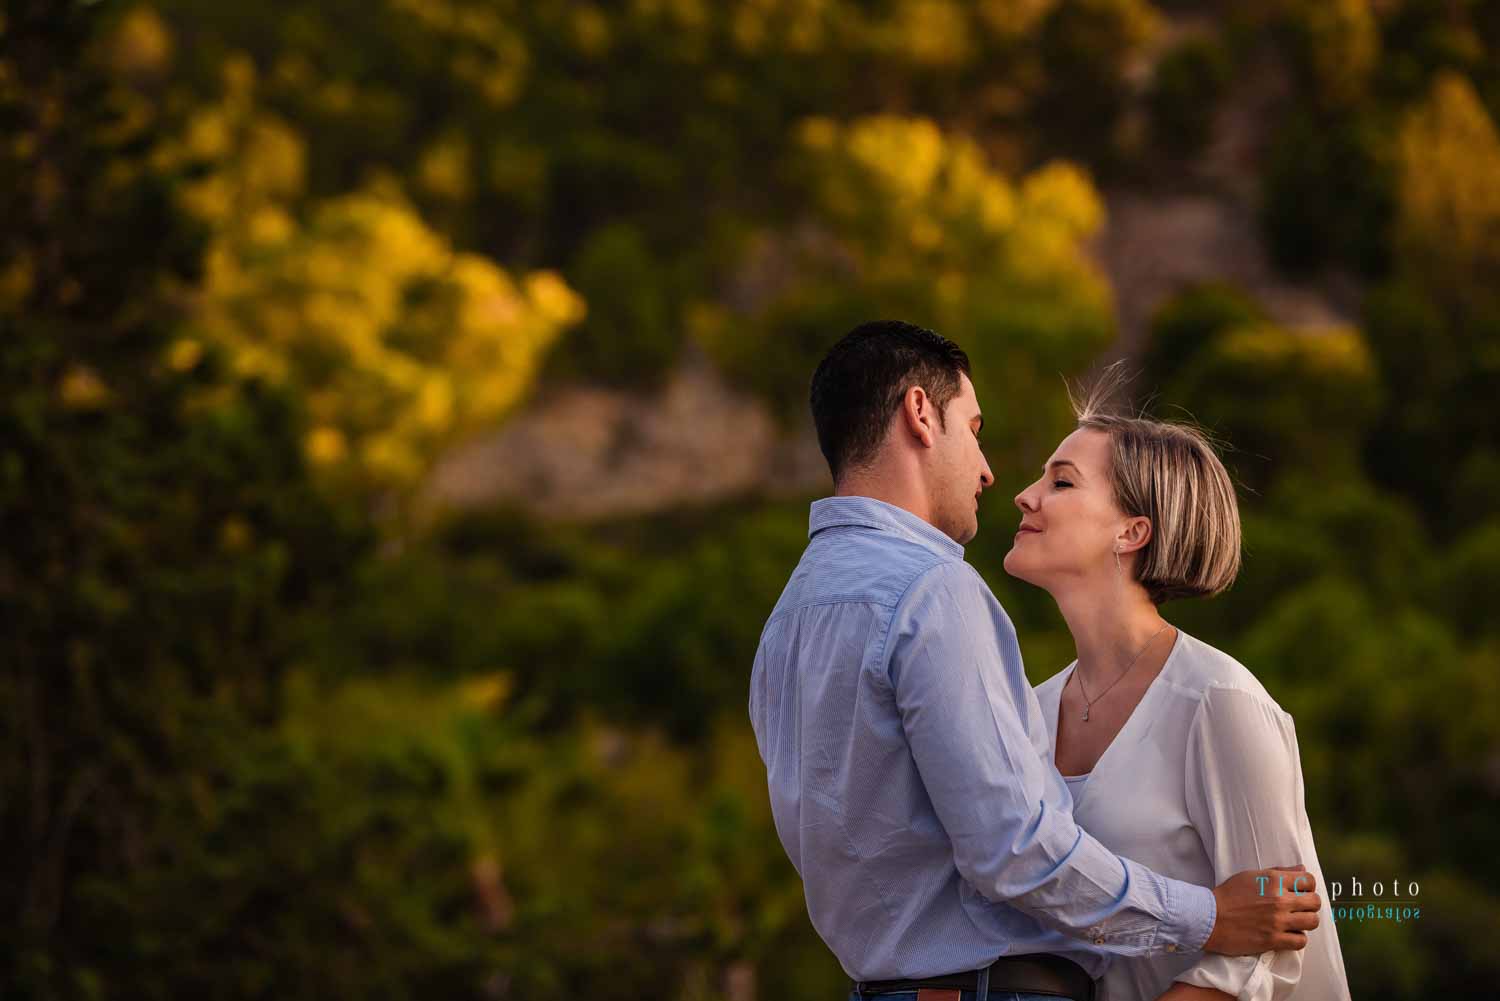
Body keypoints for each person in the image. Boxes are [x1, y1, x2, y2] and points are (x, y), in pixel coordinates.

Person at [749, 321, 1322, 1001]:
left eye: (1062, 481)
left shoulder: (787, 619)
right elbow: (1014, 849)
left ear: (1132, 530)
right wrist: (1208, 917)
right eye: (976, 427)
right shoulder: (938, 593)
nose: (1002, 479)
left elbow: (1281, 927)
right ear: (920, 415)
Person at [1009, 375, 1351, 1001]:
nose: (1024, 497)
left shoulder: (1220, 702)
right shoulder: (1025, 711)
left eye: (1061, 481)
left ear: (1131, 532)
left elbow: (1270, 947)